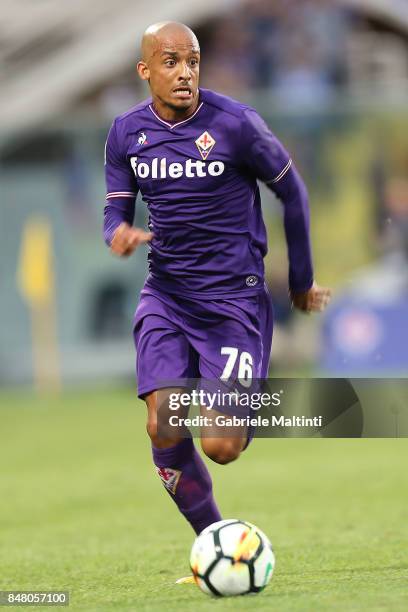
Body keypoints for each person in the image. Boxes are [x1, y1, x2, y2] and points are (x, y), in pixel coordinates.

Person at [103, 20, 331, 567]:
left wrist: (300, 281)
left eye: (193, 61)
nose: (185, 73)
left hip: (234, 303)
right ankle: (218, 542)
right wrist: (118, 234)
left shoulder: (237, 125)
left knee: (221, 447)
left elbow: (293, 195)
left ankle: (243, 397)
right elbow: (114, 211)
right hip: (166, 295)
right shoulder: (125, 133)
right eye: (171, 61)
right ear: (146, 70)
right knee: (162, 422)